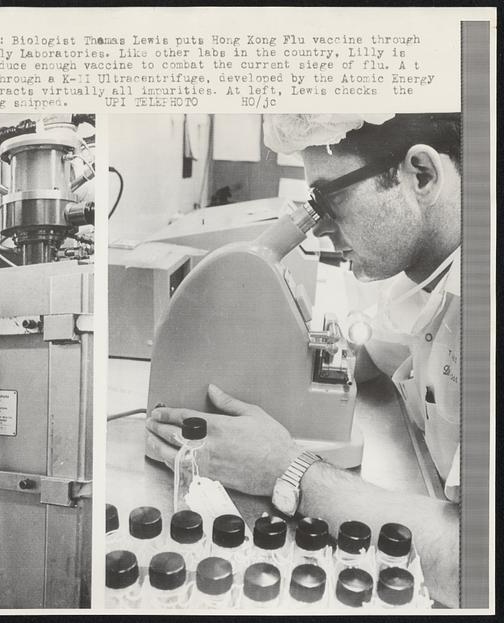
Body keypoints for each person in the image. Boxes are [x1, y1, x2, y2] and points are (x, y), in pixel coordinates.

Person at [146, 114, 462, 608]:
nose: (321, 232)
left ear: (420, 174)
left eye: (329, 200)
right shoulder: (421, 276)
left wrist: (282, 467)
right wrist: (286, 324)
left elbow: (471, 563)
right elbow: (363, 360)